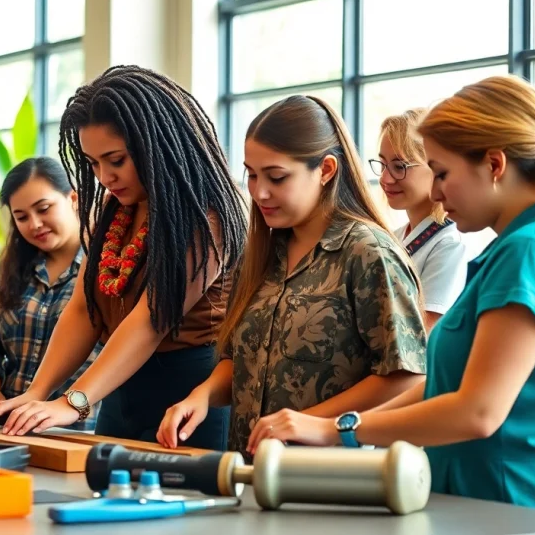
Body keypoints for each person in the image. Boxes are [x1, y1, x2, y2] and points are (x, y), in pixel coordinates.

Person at [247, 75, 535, 516]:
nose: (434, 192)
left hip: (527, 503)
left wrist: (341, 430)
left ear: (494, 164)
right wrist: (332, 427)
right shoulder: (521, 247)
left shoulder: (534, 251)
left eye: (442, 173)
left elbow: (478, 412)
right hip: (486, 498)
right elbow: (443, 385)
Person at [0, 65, 248, 450]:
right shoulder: (113, 209)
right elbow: (83, 309)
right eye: (93, 164)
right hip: (120, 389)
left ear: (155, 143)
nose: (105, 176)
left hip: (188, 396)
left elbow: (149, 321)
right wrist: (37, 391)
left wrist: (73, 401)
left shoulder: (204, 215)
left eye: (116, 160)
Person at [157, 95, 428, 457]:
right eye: (252, 175)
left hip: (331, 476)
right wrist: (202, 396)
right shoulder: (261, 255)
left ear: (327, 170)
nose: (259, 192)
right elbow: (238, 360)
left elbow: (406, 377)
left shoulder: (367, 252)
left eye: (277, 177)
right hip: (252, 471)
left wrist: (313, 424)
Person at [0, 157, 101, 430]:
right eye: (22, 217)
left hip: (79, 425)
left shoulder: (105, 265)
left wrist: (68, 406)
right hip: (9, 424)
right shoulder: (11, 269)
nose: (35, 224)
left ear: (73, 199)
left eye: (44, 209)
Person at [372, 108, 473, 328]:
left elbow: (423, 334)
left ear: (436, 167)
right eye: (383, 165)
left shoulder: (448, 244)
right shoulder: (396, 237)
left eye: (399, 167)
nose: (385, 178)